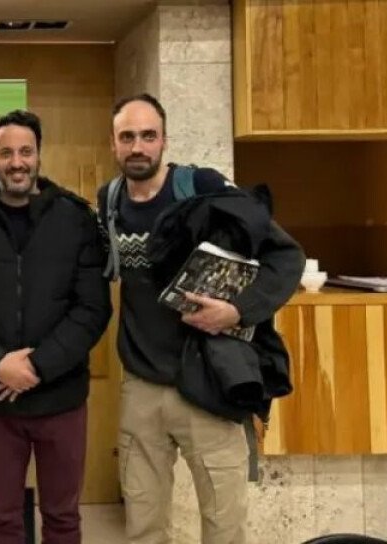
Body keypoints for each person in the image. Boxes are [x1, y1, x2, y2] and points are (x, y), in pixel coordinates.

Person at [97, 93, 304, 544]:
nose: (138, 147)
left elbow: (286, 257)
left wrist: (237, 311)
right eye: (127, 137)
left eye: (148, 136)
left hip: (207, 383)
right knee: (143, 528)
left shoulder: (202, 186)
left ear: (164, 140)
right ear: (112, 144)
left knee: (224, 527)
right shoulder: (109, 200)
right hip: (141, 388)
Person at [0, 110, 112, 544]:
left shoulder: (76, 218)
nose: (16, 162)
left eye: (25, 151)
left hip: (61, 398)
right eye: (6, 153)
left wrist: (36, 366)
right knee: (1, 520)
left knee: (62, 518)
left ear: (39, 154)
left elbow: (93, 308)